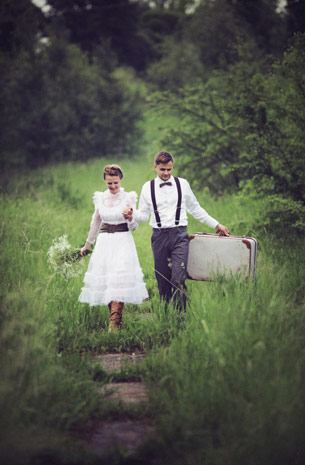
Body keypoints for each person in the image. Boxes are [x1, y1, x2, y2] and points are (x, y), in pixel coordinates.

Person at [123, 151, 229, 311]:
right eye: (162, 169)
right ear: (155, 167)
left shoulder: (183, 184)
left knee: (178, 278)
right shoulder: (148, 187)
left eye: (169, 169)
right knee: (162, 279)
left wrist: (216, 224)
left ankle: (180, 316)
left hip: (180, 236)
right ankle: (165, 315)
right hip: (159, 236)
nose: (166, 173)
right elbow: (144, 216)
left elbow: (195, 209)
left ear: (172, 167)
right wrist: (133, 214)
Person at [79, 164, 148, 332]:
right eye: (109, 183)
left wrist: (130, 217)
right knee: (107, 280)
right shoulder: (100, 198)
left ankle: (113, 324)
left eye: (116, 183)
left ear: (121, 180)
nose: (113, 187)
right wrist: (88, 244)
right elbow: (96, 221)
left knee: (119, 278)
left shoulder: (128, 197)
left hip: (123, 241)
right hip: (104, 243)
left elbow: (134, 227)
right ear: (105, 181)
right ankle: (116, 319)